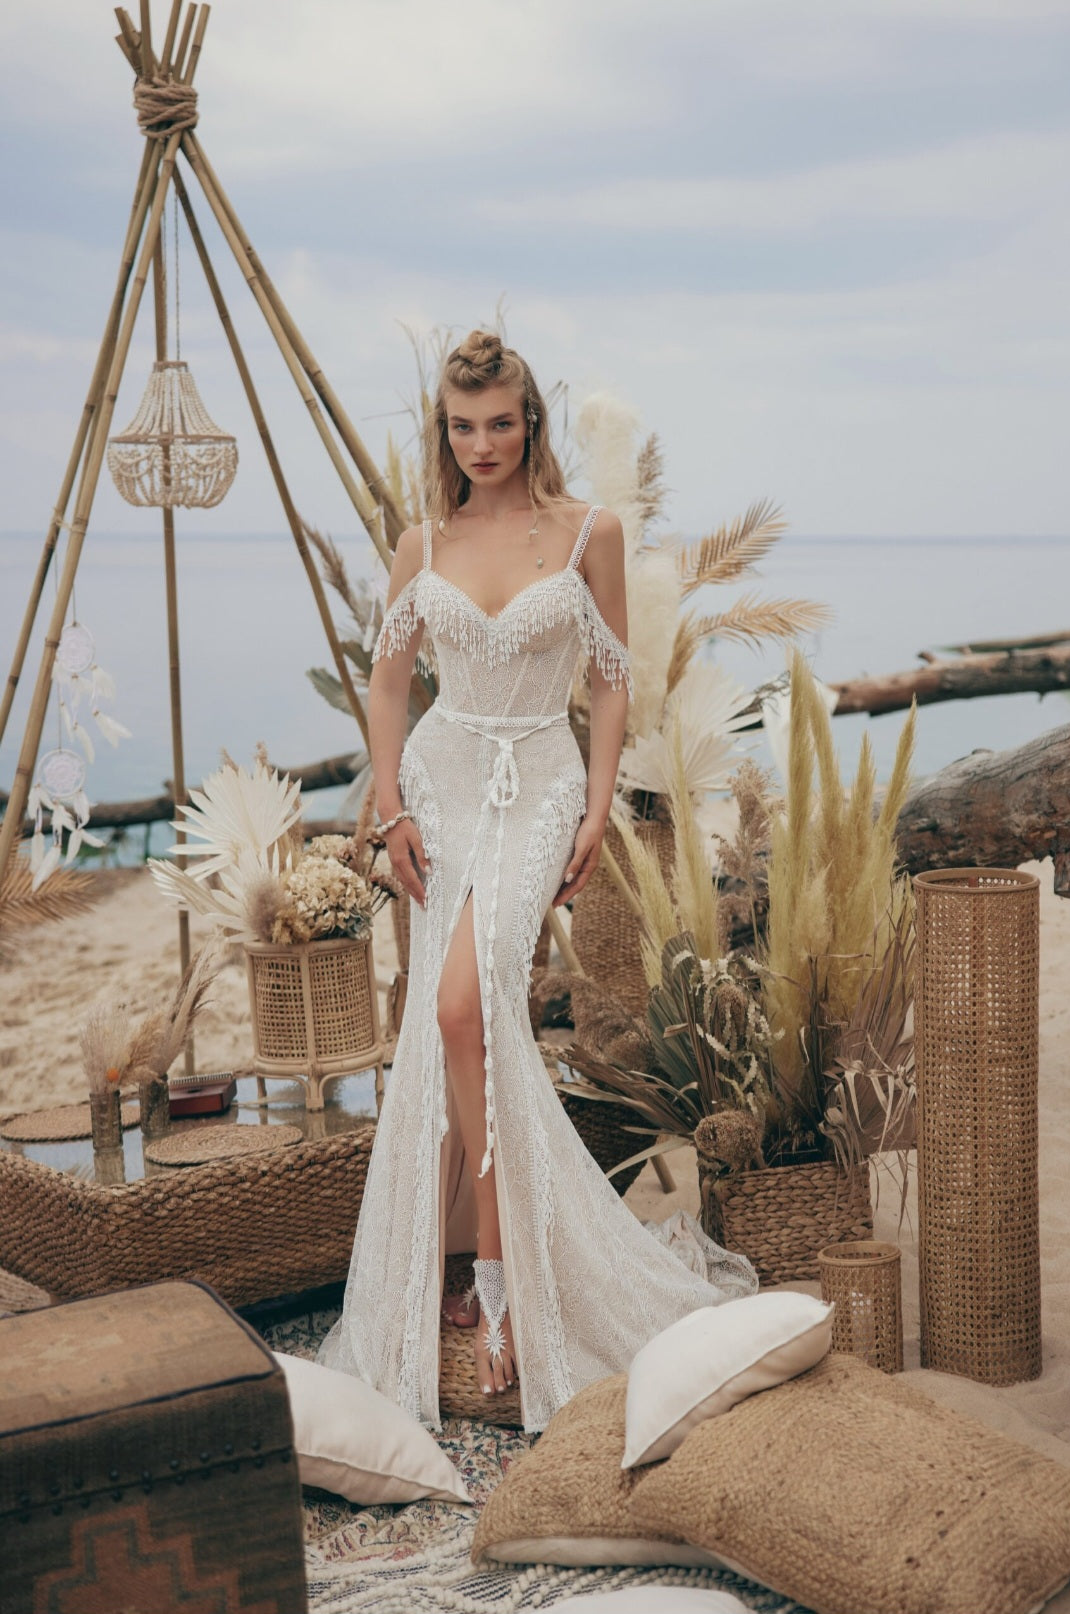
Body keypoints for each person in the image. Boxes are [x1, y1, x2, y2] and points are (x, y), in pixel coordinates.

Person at [317, 331, 756, 1432]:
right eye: (463, 427)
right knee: (451, 1025)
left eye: (500, 424)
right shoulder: (423, 542)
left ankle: (499, 1285)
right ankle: (477, 1267)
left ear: (531, 424)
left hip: (541, 786)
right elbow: (384, 690)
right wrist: (393, 804)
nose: (482, 445)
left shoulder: (586, 532)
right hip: (445, 782)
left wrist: (599, 803)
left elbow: (610, 682)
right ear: (444, 431)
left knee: (468, 1006)